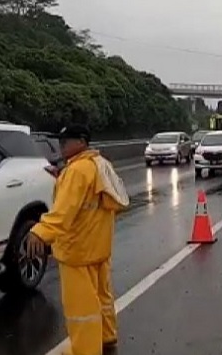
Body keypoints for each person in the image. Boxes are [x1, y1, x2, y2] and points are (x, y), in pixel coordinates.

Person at [27, 124, 129, 355]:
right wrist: (63, 175)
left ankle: (85, 350)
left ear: (82, 142)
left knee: (81, 308)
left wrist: (40, 232)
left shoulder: (76, 172)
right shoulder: (99, 164)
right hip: (98, 247)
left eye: (67, 141)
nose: (61, 146)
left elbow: (64, 212)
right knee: (102, 298)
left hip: (77, 251)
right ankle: (107, 337)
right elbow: (93, 201)